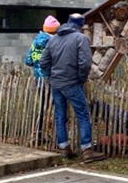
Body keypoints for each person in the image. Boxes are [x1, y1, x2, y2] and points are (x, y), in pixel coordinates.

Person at [39, 13, 105, 163]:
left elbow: (43, 62)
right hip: (72, 83)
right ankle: (87, 149)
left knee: (60, 115)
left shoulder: (53, 39)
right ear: (80, 25)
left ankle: (64, 148)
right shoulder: (81, 39)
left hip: (56, 84)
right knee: (82, 115)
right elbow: (86, 63)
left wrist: (51, 75)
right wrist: (80, 79)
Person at [24, 15, 59, 144]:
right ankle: (58, 137)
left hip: (38, 79)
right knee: (57, 107)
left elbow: (28, 61)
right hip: (51, 78)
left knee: (43, 107)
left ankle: (37, 135)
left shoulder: (35, 42)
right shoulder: (53, 42)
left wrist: (37, 65)